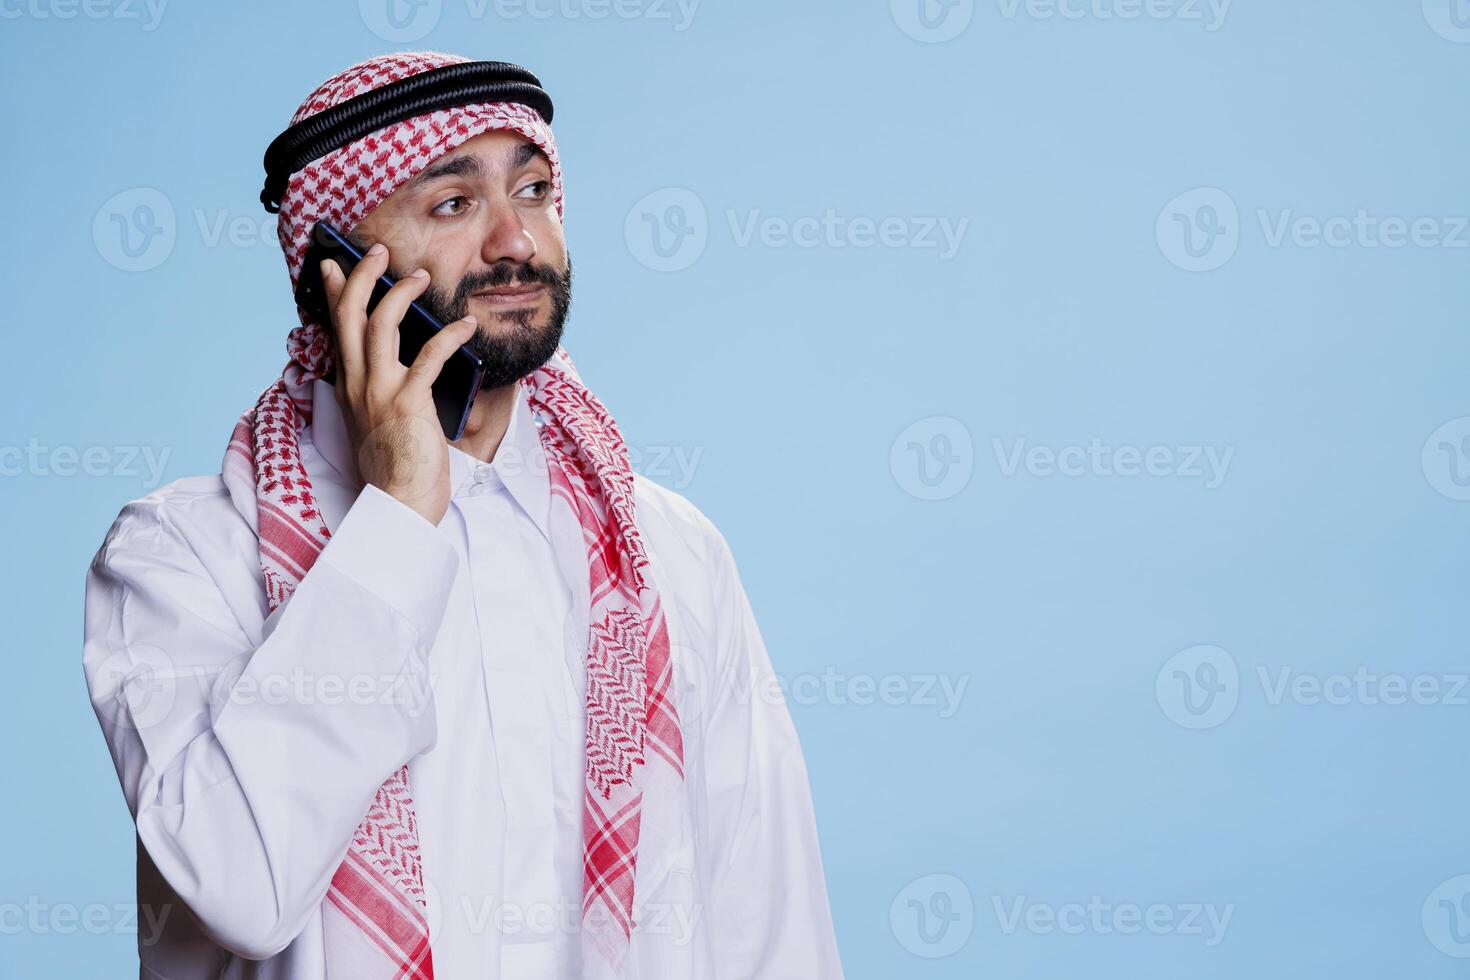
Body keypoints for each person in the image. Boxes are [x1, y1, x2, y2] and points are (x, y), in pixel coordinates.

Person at [82, 50, 843, 980]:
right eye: (453, 204)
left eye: (533, 191)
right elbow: (240, 888)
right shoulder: (184, 555)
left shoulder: (667, 552)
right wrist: (399, 517)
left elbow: (768, 920)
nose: (515, 241)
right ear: (336, 270)